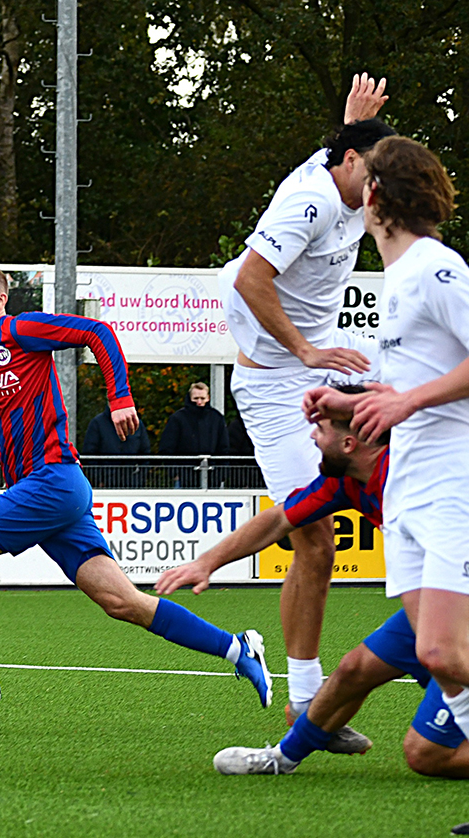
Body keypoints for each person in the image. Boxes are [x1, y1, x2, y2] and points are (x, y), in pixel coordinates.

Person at [0, 259, 271, 708]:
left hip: (51, 479)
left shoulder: (20, 330)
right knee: (123, 602)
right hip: (47, 491)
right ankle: (239, 650)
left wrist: (120, 396)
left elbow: (97, 332)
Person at [219, 74, 394, 714]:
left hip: (326, 355)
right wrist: (304, 352)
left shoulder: (346, 173)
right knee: (314, 537)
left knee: (435, 392)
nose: (379, 194)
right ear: (347, 162)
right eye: (371, 175)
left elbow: (341, 151)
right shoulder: (311, 201)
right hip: (275, 380)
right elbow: (250, 279)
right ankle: (304, 698)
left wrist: (351, 124)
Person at [303, 137, 469, 759]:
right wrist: (348, 401)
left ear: (375, 196)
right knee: (441, 660)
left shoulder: (436, 268)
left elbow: (418, 393)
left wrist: (407, 402)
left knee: (442, 653)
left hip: (452, 480)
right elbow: (414, 382)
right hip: (411, 491)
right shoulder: (397, 278)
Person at [158, 386, 386, 756]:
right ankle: (293, 739)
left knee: (424, 663)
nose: (310, 437)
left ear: (348, 443)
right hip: (437, 594)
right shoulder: (340, 483)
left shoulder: (414, 471)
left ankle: (285, 751)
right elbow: (278, 520)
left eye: (320, 430)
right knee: (366, 684)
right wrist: (206, 563)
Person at [81, 398, 151, 488]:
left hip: (132, 484)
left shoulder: (137, 424)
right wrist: (98, 480)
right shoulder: (97, 423)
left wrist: (140, 479)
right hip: (106, 484)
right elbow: (89, 455)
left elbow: (145, 453)